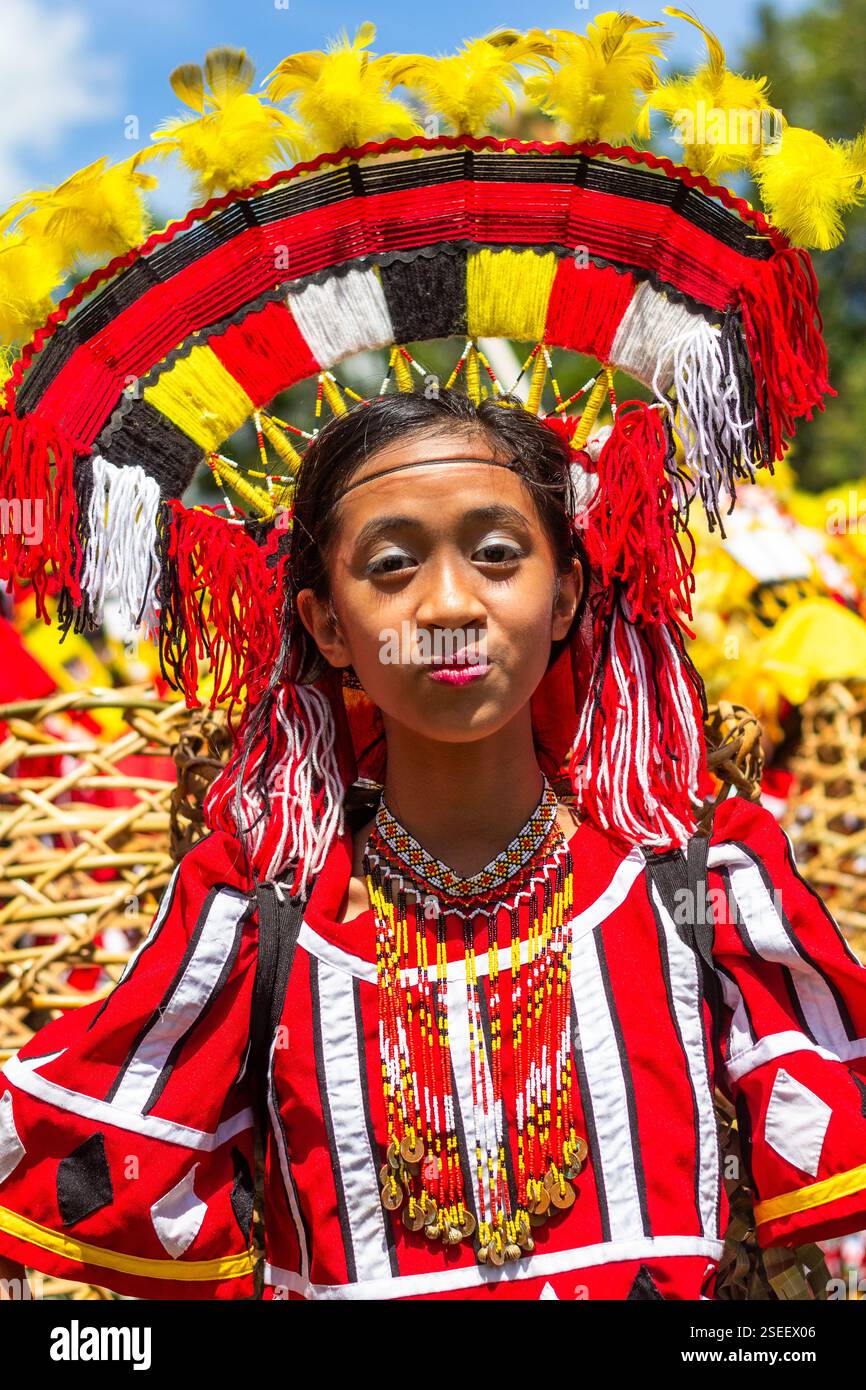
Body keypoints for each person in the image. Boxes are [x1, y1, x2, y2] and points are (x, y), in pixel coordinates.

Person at [1, 388, 865, 1302]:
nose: (449, 602)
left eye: (497, 555)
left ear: (565, 592)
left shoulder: (700, 888)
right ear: (328, 625)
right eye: (392, 565)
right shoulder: (260, 923)